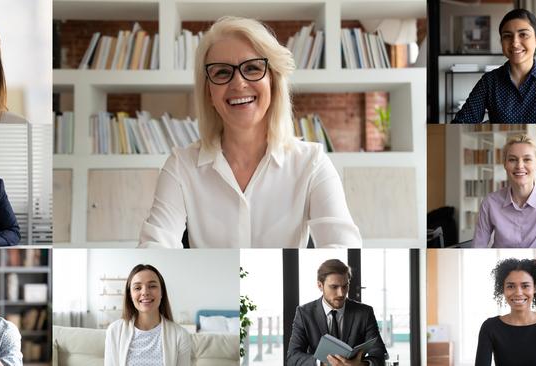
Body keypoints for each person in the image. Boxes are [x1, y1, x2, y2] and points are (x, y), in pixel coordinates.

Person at [139, 17, 361, 248]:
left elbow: (344, 252)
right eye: (223, 73)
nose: (238, 83)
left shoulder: (311, 163)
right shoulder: (180, 166)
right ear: (208, 93)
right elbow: (154, 249)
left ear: (273, 83)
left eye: (252, 68)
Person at [452, 9, 536, 123]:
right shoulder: (489, 82)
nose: (514, 43)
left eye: (523, 34)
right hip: (501, 141)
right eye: (507, 36)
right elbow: (461, 123)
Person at [287, 259, 387, 366]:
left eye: (345, 286)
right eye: (334, 287)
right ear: (320, 285)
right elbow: (293, 357)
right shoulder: (304, 314)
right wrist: (323, 363)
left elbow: (380, 353)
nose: (341, 293)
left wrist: (362, 364)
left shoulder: (365, 313)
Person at [472, 134, 536, 247]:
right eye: (512, 159)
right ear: (505, 164)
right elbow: (478, 248)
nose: (519, 166)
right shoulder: (490, 202)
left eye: (527, 159)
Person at [475, 258, 536, 366]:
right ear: (503, 289)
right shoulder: (490, 327)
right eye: (510, 286)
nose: (518, 293)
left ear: (535, 288)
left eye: (525, 286)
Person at [104, 264, 191, 366]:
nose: (145, 292)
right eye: (137, 288)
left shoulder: (180, 335)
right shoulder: (115, 331)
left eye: (152, 286)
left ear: (162, 292)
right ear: (130, 295)